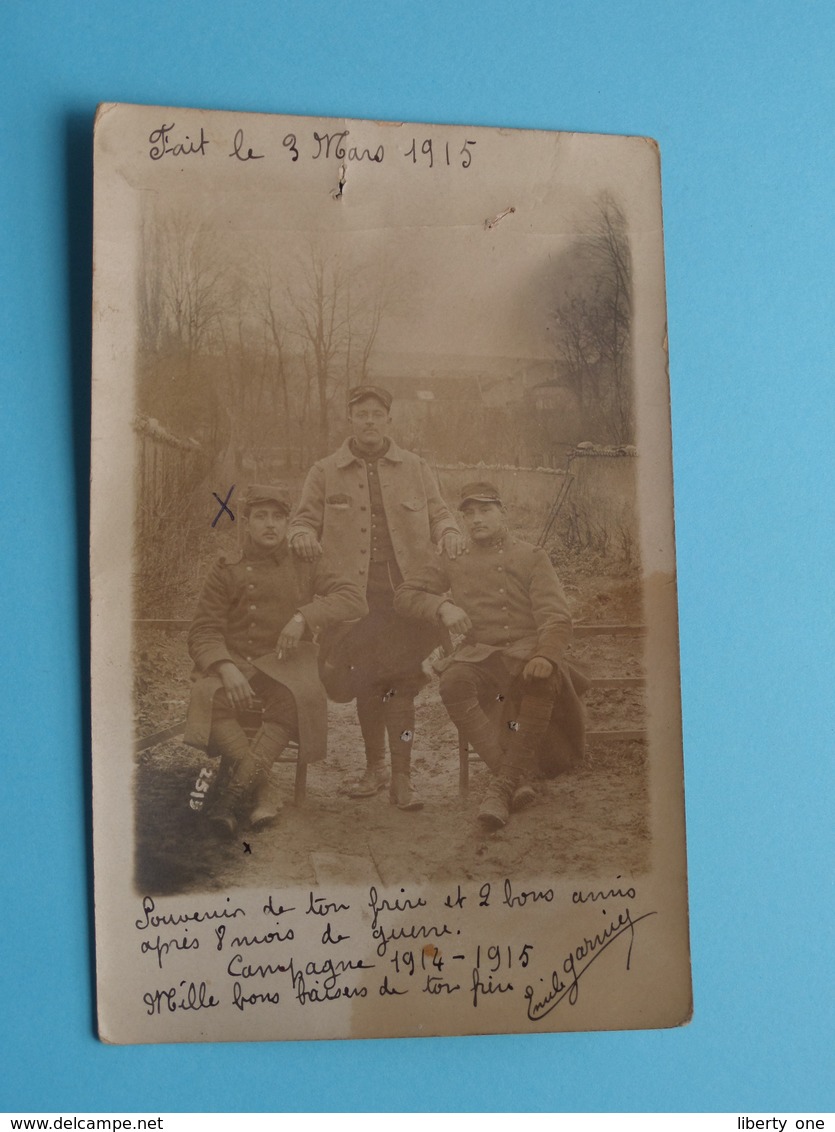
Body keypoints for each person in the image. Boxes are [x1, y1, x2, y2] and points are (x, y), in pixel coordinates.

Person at [287, 384, 464, 810]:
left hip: (408, 596)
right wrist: (302, 535)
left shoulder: (416, 467)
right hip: (354, 600)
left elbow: (440, 512)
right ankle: (375, 767)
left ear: (389, 419)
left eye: (376, 414)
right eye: (361, 413)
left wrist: (449, 530)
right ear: (350, 419)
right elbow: (302, 519)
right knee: (367, 682)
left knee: (402, 684)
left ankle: (402, 777)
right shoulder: (325, 470)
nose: (369, 421)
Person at [394, 481, 586, 830]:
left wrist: (546, 654)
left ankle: (501, 787)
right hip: (481, 656)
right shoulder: (453, 556)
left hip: (527, 651)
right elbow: (406, 595)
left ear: (503, 513)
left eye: (485, 510)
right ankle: (511, 779)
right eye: (468, 514)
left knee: (540, 677)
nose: (476, 520)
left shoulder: (531, 557)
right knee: (452, 682)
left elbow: (556, 616)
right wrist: (441, 607)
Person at [184, 484, 367, 837]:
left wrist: (304, 617)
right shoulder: (226, 568)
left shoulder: (306, 563)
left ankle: (231, 798)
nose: (271, 525)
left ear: (288, 522)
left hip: (287, 666)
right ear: (247, 523)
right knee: (210, 696)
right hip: (237, 662)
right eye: (262, 517)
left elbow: (354, 599)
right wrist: (225, 667)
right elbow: (203, 631)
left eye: (279, 517)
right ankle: (263, 787)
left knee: (290, 702)